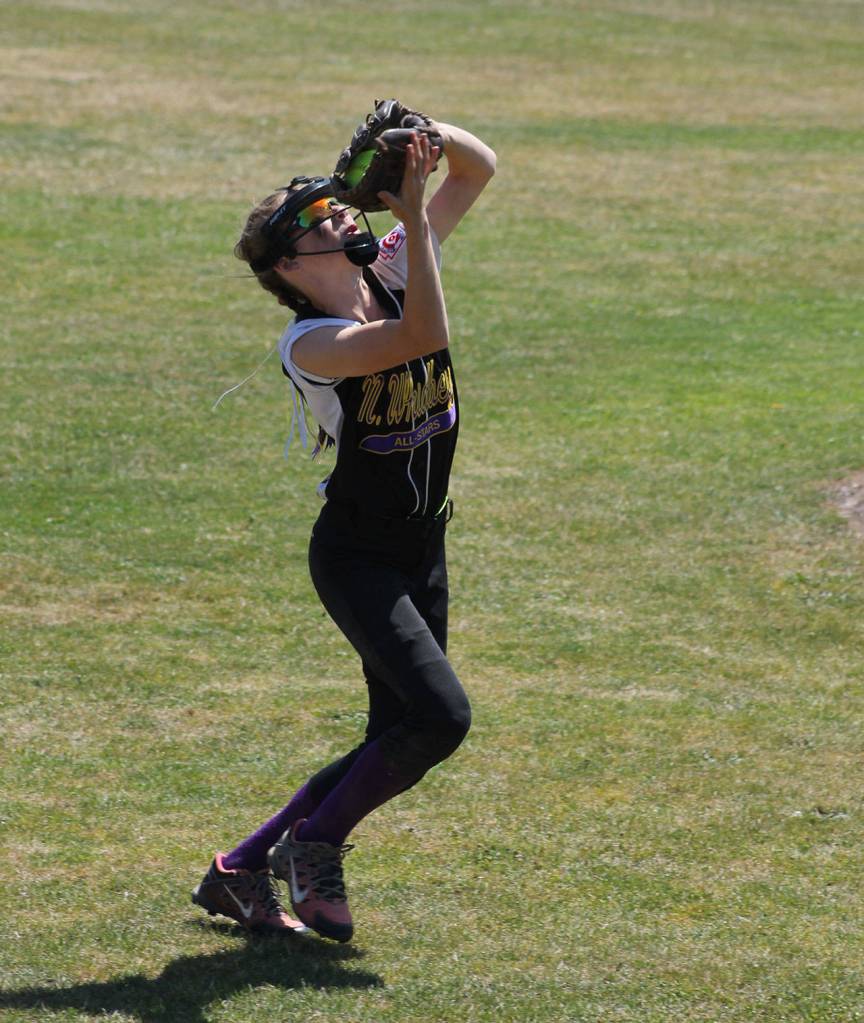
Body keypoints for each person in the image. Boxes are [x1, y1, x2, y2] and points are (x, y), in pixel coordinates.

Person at [192, 116, 496, 942]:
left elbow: (480, 169)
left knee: (393, 737)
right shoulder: (313, 342)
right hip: (358, 555)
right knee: (440, 717)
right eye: (318, 223)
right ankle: (314, 842)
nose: (340, 219)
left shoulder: (391, 267)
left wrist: (426, 134)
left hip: (421, 544)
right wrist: (410, 220)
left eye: (338, 207)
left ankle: (241, 868)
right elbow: (419, 337)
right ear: (289, 267)